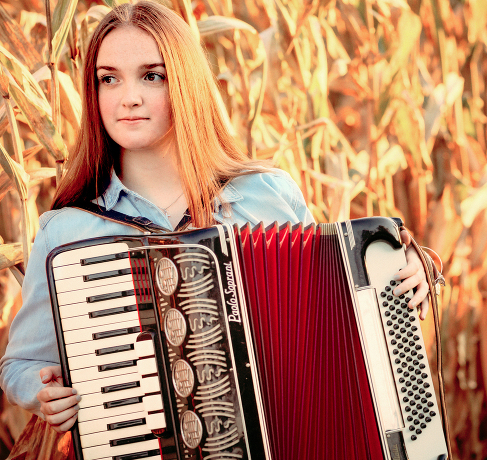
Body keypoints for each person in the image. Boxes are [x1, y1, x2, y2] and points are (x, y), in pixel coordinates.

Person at [0, 1, 431, 434]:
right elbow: (21, 363)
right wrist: (39, 392)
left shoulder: (265, 194)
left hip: (296, 444)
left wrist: (408, 272)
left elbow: (340, 307)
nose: (128, 97)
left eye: (153, 76)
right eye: (108, 79)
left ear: (186, 85)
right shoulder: (70, 232)